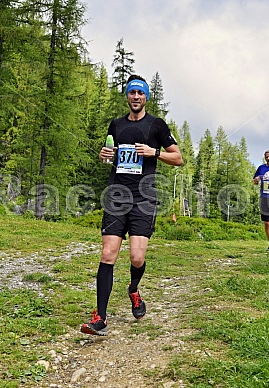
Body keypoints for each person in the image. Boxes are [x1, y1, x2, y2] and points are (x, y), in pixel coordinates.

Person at [80, 75, 183, 336]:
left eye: (140, 93)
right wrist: (105, 156)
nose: (136, 97)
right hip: (117, 195)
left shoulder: (156, 125)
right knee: (108, 254)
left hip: (144, 198)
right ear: (126, 96)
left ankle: (133, 290)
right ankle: (100, 317)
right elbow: (111, 155)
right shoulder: (116, 125)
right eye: (131, 92)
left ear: (146, 97)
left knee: (137, 257)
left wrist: (154, 153)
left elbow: (178, 158)